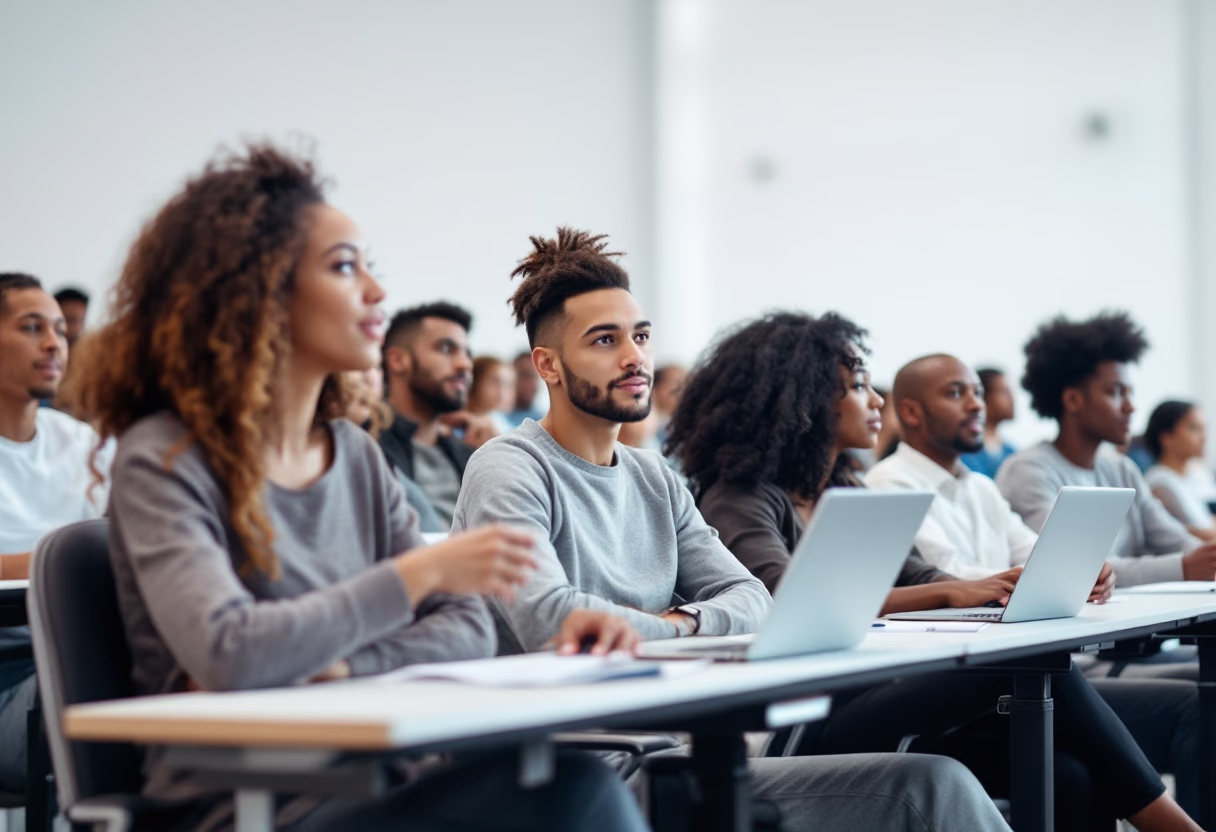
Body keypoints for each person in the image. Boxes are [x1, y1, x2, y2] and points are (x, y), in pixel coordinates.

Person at [73, 146, 649, 832]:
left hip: (383, 778)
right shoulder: (165, 459)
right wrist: (416, 575)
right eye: (346, 267)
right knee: (574, 793)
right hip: (253, 805)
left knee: (573, 782)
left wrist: (339, 669)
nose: (377, 292)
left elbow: (465, 628)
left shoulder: (353, 454)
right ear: (255, 291)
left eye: (371, 267)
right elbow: (232, 652)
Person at [454, 228, 1015, 832]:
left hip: (685, 749)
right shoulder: (509, 466)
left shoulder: (655, 477)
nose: (634, 357)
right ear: (548, 365)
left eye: (640, 337)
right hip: (582, 773)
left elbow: (754, 599)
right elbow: (555, 622)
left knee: (933, 783)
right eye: (604, 341)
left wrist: (682, 621)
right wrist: (675, 623)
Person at [666, 312, 1202, 832]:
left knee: (1069, 774)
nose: (877, 401)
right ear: (805, 403)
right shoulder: (743, 497)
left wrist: (992, 584)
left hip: (867, 692)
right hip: (800, 719)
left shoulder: (845, 492)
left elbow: (917, 576)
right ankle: (1174, 826)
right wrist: (954, 593)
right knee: (1030, 668)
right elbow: (783, 595)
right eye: (857, 387)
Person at [996, 312, 1216, 585]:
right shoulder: (1029, 472)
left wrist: (1205, 557)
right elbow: (1070, 567)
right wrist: (1182, 567)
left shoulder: (1121, 469)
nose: (1130, 406)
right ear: (1073, 400)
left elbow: (1174, 539)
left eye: (1130, 393)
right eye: (1115, 392)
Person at [0, 272, 112, 794]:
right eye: (31, 327)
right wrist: (67, 560)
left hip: (73, 657)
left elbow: (131, 537)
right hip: (12, 683)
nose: (53, 343)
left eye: (60, 331)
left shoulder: (80, 443)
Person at [379, 303, 498, 528]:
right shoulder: (366, 445)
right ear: (397, 360)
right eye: (446, 349)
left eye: (467, 354)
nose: (464, 364)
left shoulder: (470, 452)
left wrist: (496, 459)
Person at [344, 368, 443, 534]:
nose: (369, 378)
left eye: (376, 366)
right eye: (354, 367)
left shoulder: (373, 451)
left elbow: (429, 528)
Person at [1143, 401, 1216, 540]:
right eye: (1194, 428)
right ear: (1166, 437)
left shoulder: (1198, 473)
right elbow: (1197, 532)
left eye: (1203, 429)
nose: (1204, 438)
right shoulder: (1159, 482)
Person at [959, 367, 1017, 477]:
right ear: (983, 397)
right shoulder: (964, 452)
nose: (1012, 399)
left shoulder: (1012, 451)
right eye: (1004, 392)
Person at [468, 356, 516, 434]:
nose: (502, 393)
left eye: (509, 385)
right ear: (474, 383)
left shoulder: (504, 425)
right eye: (494, 382)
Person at [505, 350, 546, 427]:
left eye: (536, 376)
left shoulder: (545, 422)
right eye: (525, 375)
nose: (532, 382)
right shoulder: (494, 419)